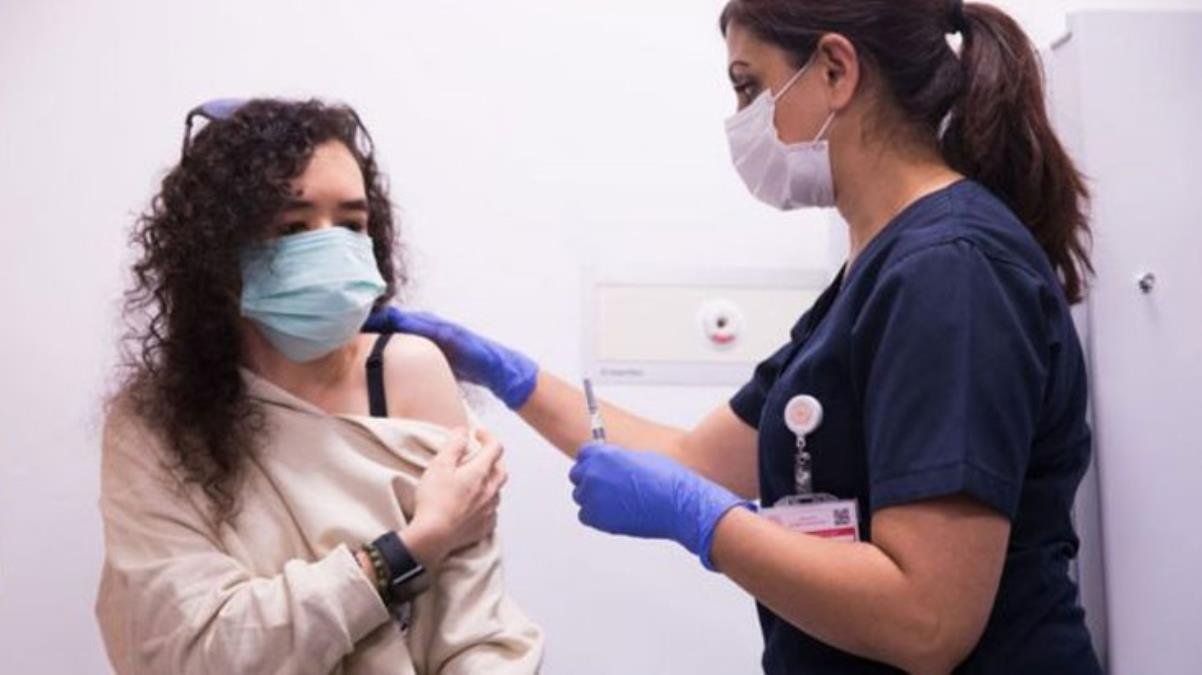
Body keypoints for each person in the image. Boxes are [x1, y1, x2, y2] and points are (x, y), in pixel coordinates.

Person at [367, 1, 1102, 672]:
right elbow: (693, 460)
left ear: (836, 70)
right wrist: (510, 376)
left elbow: (926, 621)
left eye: (749, 87)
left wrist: (704, 523)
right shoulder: (875, 273)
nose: (741, 119)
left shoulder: (951, 273)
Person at [98, 98, 543, 674]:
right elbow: (193, 651)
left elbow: (477, 632)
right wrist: (414, 545)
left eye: (352, 224)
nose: (331, 248)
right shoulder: (158, 421)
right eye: (292, 227)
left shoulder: (408, 374)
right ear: (217, 251)